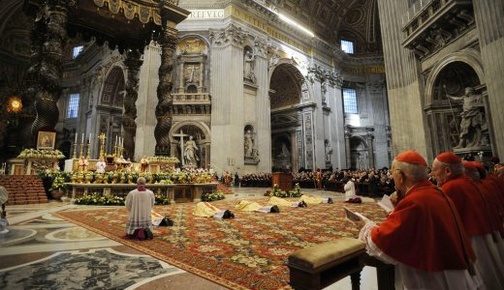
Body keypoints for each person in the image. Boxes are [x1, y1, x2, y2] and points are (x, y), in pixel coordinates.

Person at [359, 150, 482, 289]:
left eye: (393, 173)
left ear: (400, 176)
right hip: (448, 269)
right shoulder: (433, 191)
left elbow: (381, 242)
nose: (392, 177)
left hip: (433, 278)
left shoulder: (415, 201)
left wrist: (367, 226)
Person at [431, 151, 504, 289]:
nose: (432, 174)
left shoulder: (452, 186)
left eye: (434, 170)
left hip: (472, 237)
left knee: (483, 274)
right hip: (481, 232)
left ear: (447, 171)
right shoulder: (466, 182)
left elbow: (437, 214)